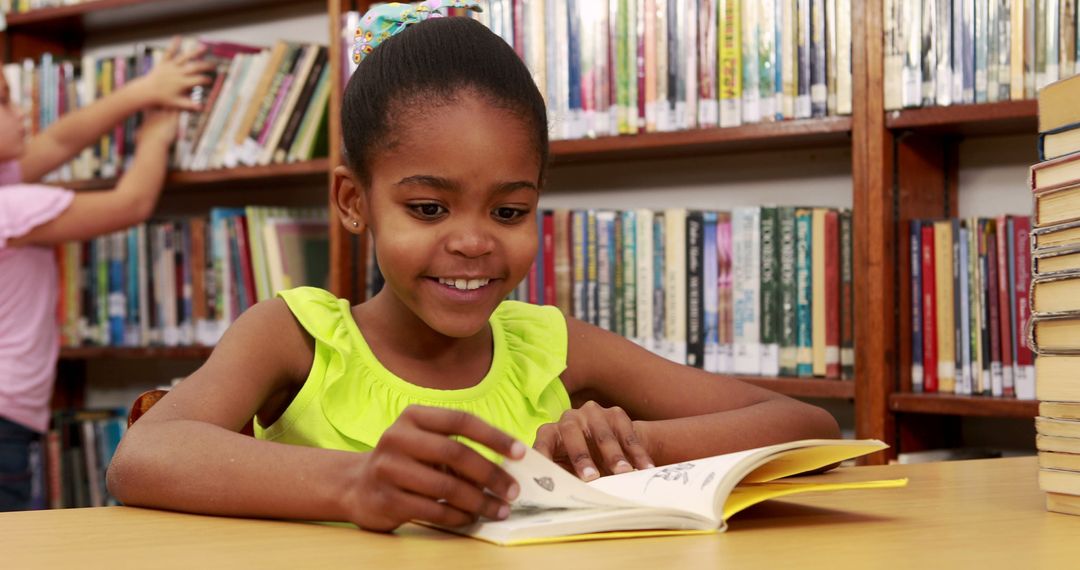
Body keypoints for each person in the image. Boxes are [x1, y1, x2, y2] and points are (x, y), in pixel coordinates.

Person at [108, 1, 840, 533]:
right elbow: (145, 456)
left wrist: (626, 448)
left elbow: (805, 423)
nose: (473, 242)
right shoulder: (295, 337)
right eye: (428, 209)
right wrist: (357, 485)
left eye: (509, 212)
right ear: (353, 201)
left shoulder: (548, 347)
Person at [0, 38, 212, 511]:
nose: (21, 114)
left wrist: (141, 91)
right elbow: (129, 204)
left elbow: (58, 141)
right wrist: (154, 135)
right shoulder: (10, 209)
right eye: (3, 103)